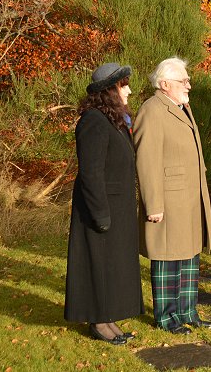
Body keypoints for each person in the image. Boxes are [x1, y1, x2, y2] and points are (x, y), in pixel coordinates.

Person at [64, 62, 144, 345]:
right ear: (110, 90)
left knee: (113, 265)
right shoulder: (93, 121)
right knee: (97, 264)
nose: (130, 91)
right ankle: (97, 321)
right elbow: (91, 172)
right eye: (125, 86)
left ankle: (108, 316)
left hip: (118, 205)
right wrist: (100, 213)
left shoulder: (113, 120)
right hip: (99, 206)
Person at [134, 57, 211, 335]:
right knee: (168, 257)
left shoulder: (180, 107)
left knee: (189, 255)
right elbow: (147, 160)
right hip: (168, 200)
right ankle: (167, 317)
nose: (189, 85)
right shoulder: (152, 110)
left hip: (189, 199)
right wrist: (153, 204)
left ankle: (187, 312)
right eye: (183, 80)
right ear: (165, 83)